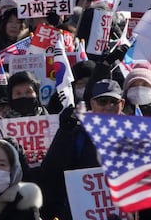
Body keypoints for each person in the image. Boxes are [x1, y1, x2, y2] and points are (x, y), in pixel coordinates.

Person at [40, 79, 125, 220]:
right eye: (102, 101)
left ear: (122, 104)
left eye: (113, 102)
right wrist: (64, 133)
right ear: (92, 104)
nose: (108, 106)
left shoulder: (136, 135)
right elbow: (52, 172)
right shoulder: (77, 134)